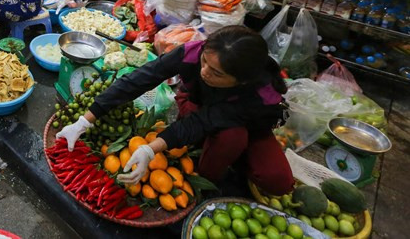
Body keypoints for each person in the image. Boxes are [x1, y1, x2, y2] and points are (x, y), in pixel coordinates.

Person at [56, 26, 294, 195]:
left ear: (241, 80)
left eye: (216, 73)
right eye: (204, 62)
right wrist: (84, 121)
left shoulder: (258, 96)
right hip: (199, 103)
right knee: (228, 138)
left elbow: (200, 122)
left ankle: (228, 161)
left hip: (249, 121)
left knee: (277, 180)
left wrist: (150, 149)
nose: (204, 72)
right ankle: (207, 171)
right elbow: (140, 79)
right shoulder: (194, 52)